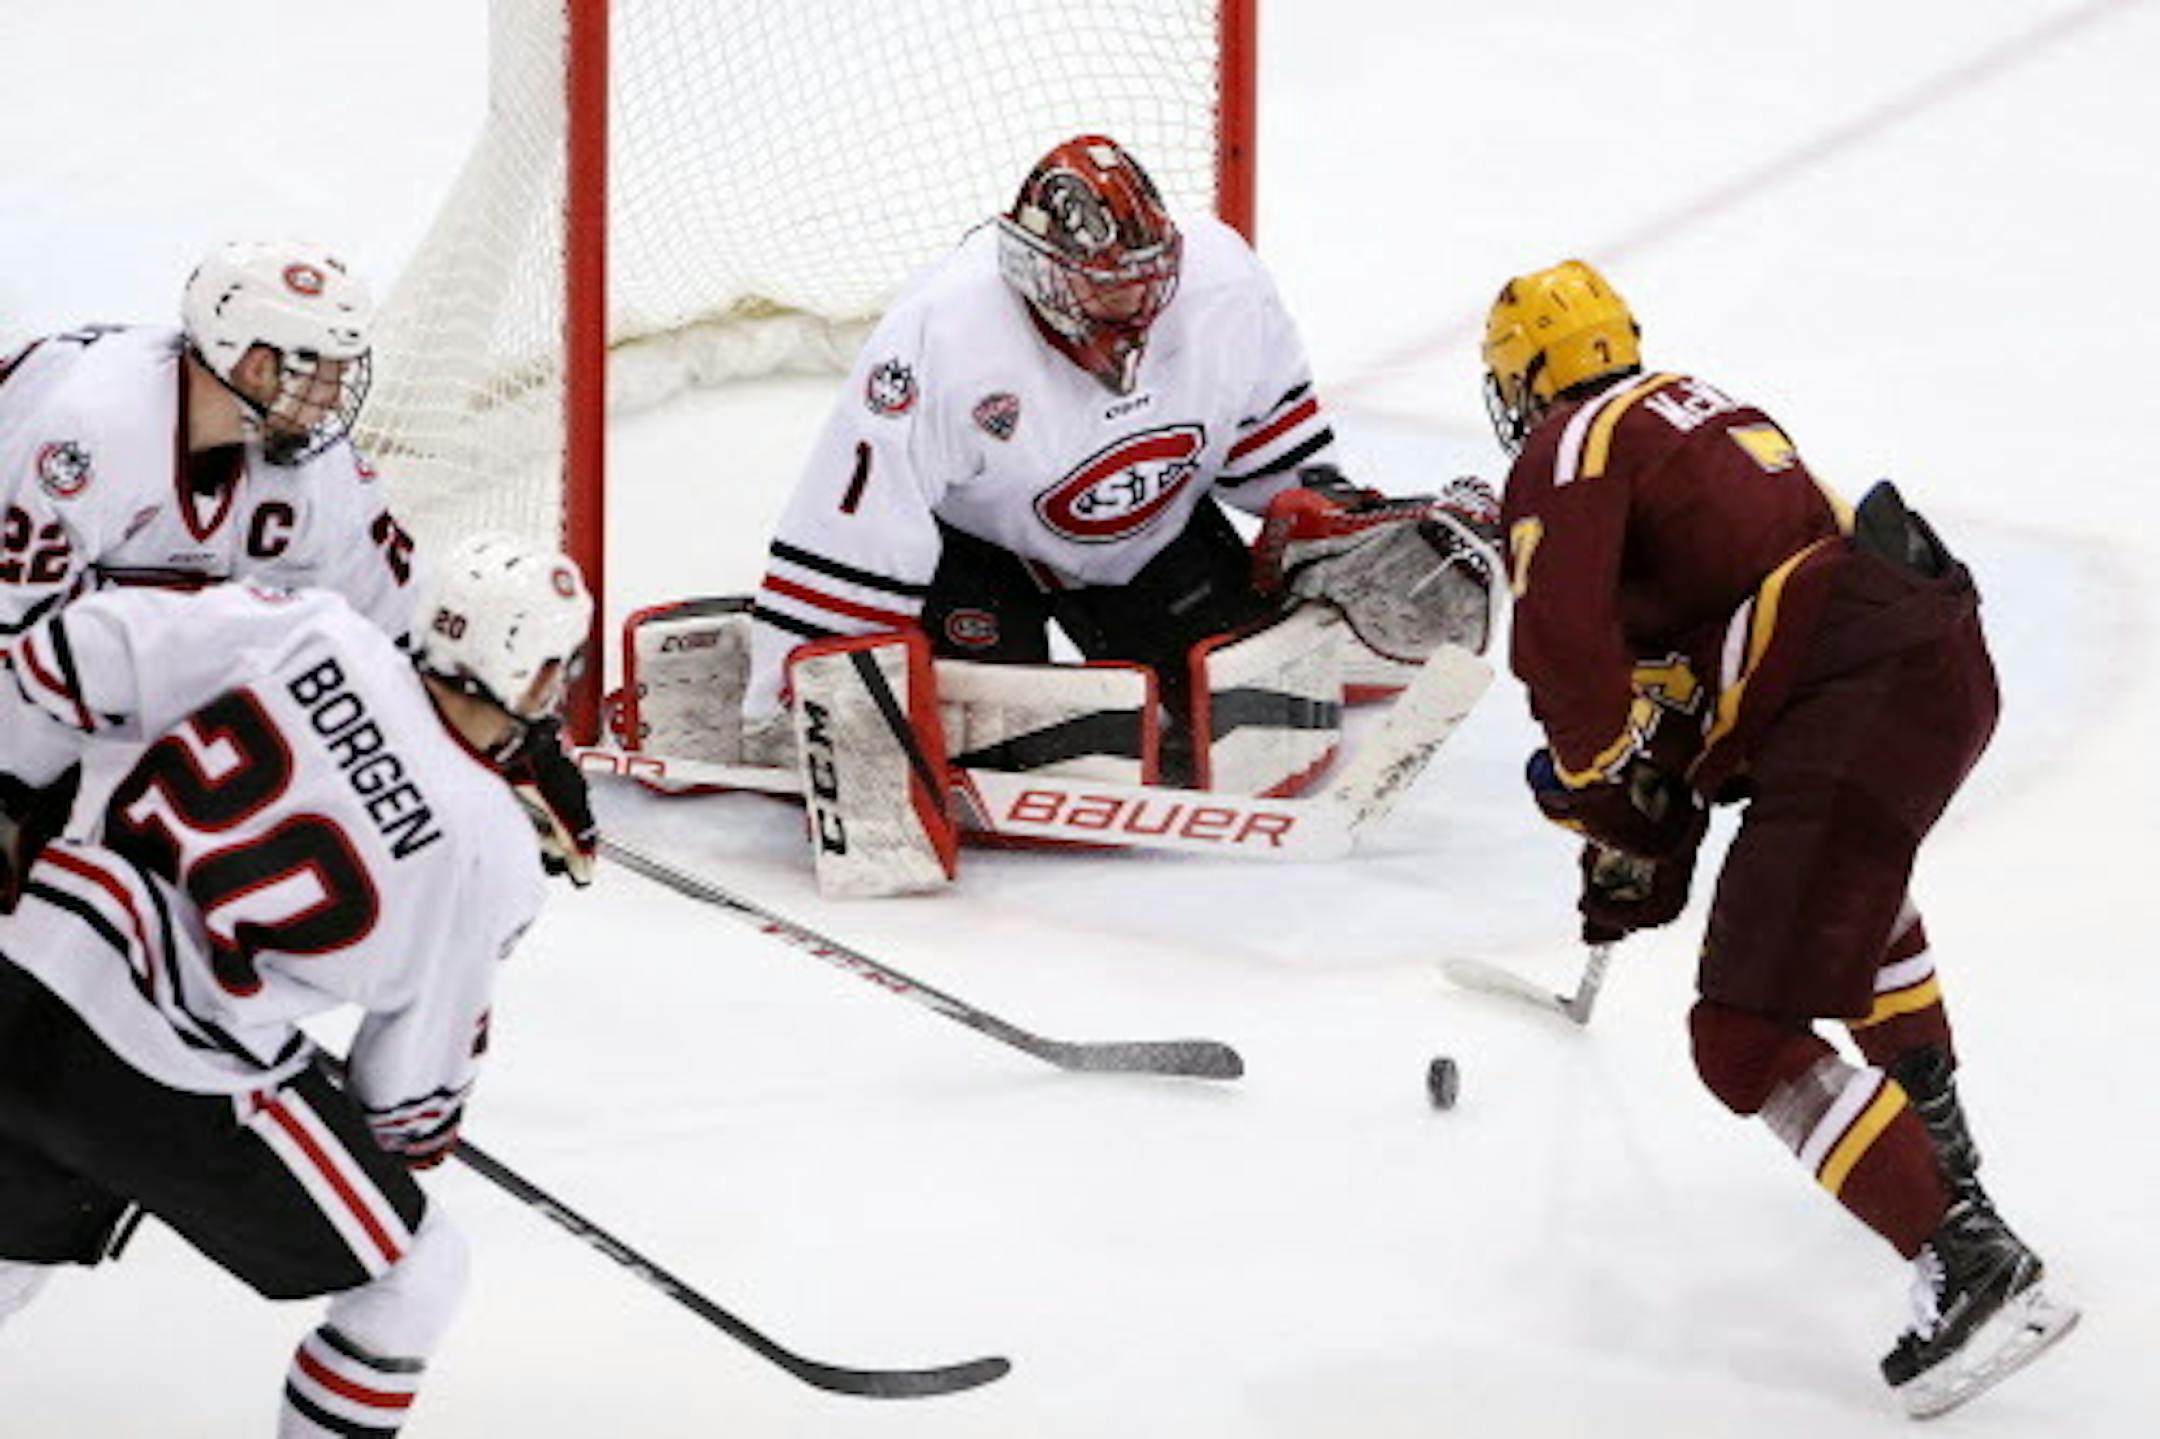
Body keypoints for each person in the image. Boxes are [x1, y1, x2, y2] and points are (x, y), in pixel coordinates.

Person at [1481, 258, 2078, 1417]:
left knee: (1741, 1037)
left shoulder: (1570, 446)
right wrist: (1641, 832)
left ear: (1524, 382)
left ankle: (1971, 1262)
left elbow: (1568, 663)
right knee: (1862, 894)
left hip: (1855, 690)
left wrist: (1596, 790)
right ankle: (1937, 1145)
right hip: (1929, 651)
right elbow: (1715, 693)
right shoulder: (1694, 412)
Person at [0, 532, 592, 1436]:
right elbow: (404, 1109)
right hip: (167, 1075)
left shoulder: (314, 628)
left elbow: (65, 657)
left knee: (9, 1252)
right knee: (413, 1273)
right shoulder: (492, 854)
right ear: (540, 679)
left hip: (27, 971)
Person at [736, 133, 1499, 781]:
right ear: (1043, 275)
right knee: (994, 729)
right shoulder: (940, 334)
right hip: (981, 553)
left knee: (1238, 706)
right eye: (1106, 292)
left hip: (1151, 533)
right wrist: (811, 688)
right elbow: (857, 526)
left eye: (1144, 284)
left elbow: (1270, 447)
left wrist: (1316, 515)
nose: (1133, 311)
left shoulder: (1221, 282)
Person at [0, 240, 420, 657]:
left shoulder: (321, 469)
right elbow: (14, 648)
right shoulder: (87, 437)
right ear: (259, 369)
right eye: (328, 375)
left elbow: (397, 632)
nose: (335, 401)